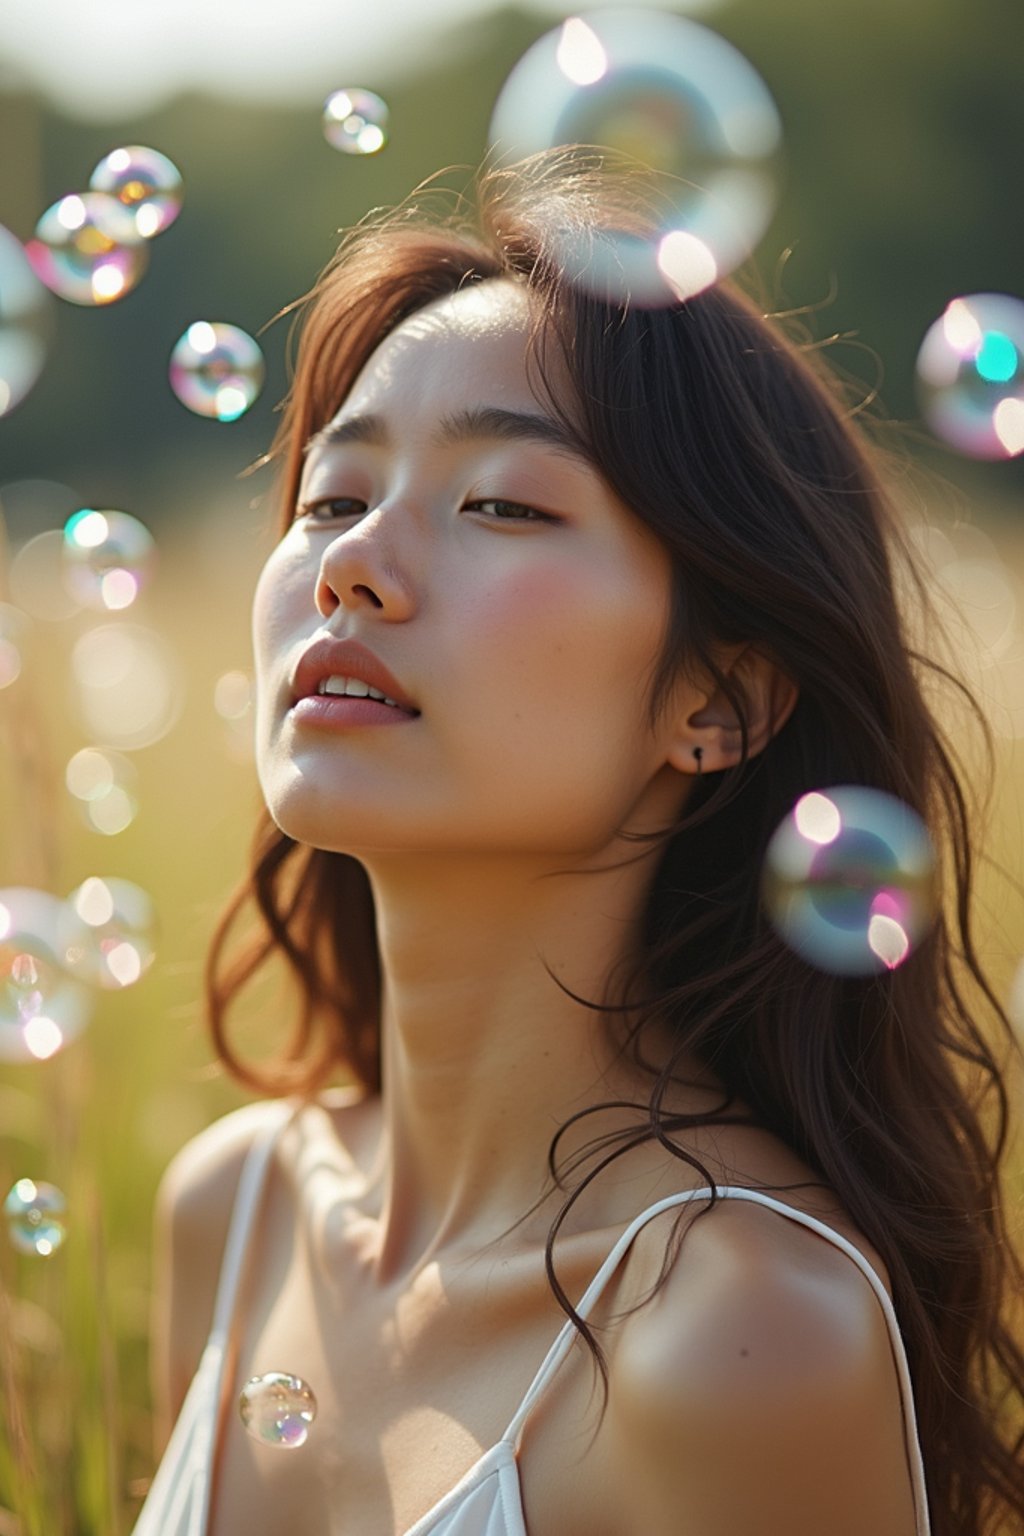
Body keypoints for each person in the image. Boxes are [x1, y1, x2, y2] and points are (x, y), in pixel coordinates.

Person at [131, 153, 1024, 1536]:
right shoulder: (233, 1214)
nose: (350, 564)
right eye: (329, 494)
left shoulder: (741, 1331)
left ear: (716, 701)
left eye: (502, 503)